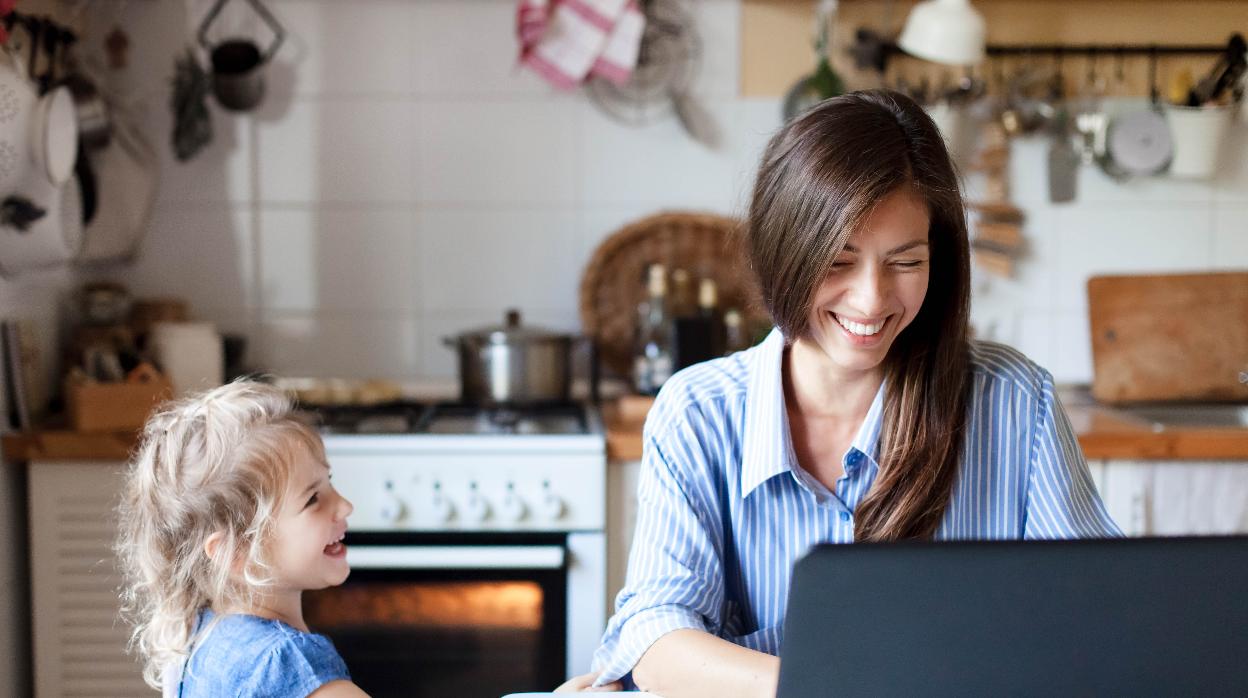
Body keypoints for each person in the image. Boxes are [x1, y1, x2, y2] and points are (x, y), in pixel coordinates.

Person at [576, 90, 1121, 697]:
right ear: (784, 252)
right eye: (839, 261)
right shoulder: (698, 412)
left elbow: (1095, 619)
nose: (871, 300)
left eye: (905, 262)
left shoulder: (1017, 403)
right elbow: (654, 638)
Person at [116, 381, 369, 697]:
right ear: (236, 552)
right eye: (313, 499)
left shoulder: (201, 635)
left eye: (328, 482)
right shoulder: (288, 666)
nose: (345, 505)